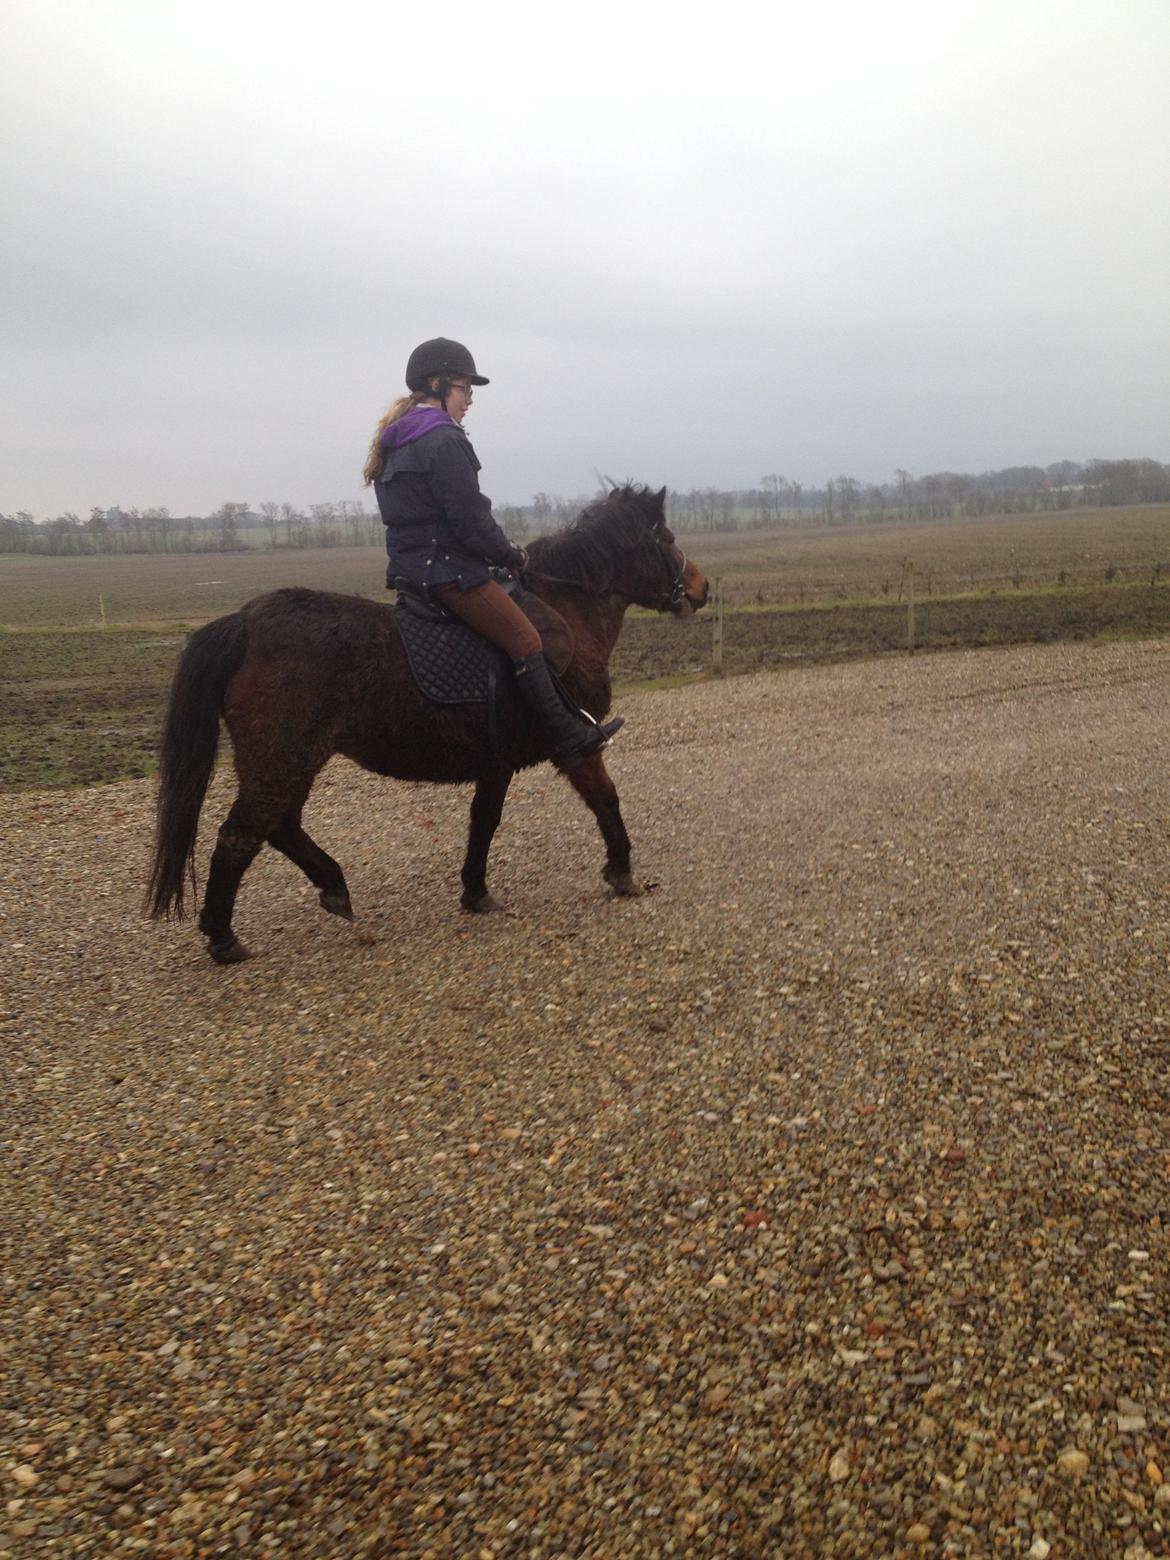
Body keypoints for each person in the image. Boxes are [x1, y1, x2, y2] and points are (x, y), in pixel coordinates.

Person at [363, 338, 622, 766]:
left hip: (411, 571)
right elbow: (470, 521)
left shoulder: (395, 440)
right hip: (448, 573)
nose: (468, 401)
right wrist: (510, 555)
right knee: (526, 637)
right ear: (437, 384)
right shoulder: (444, 440)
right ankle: (567, 736)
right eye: (464, 389)